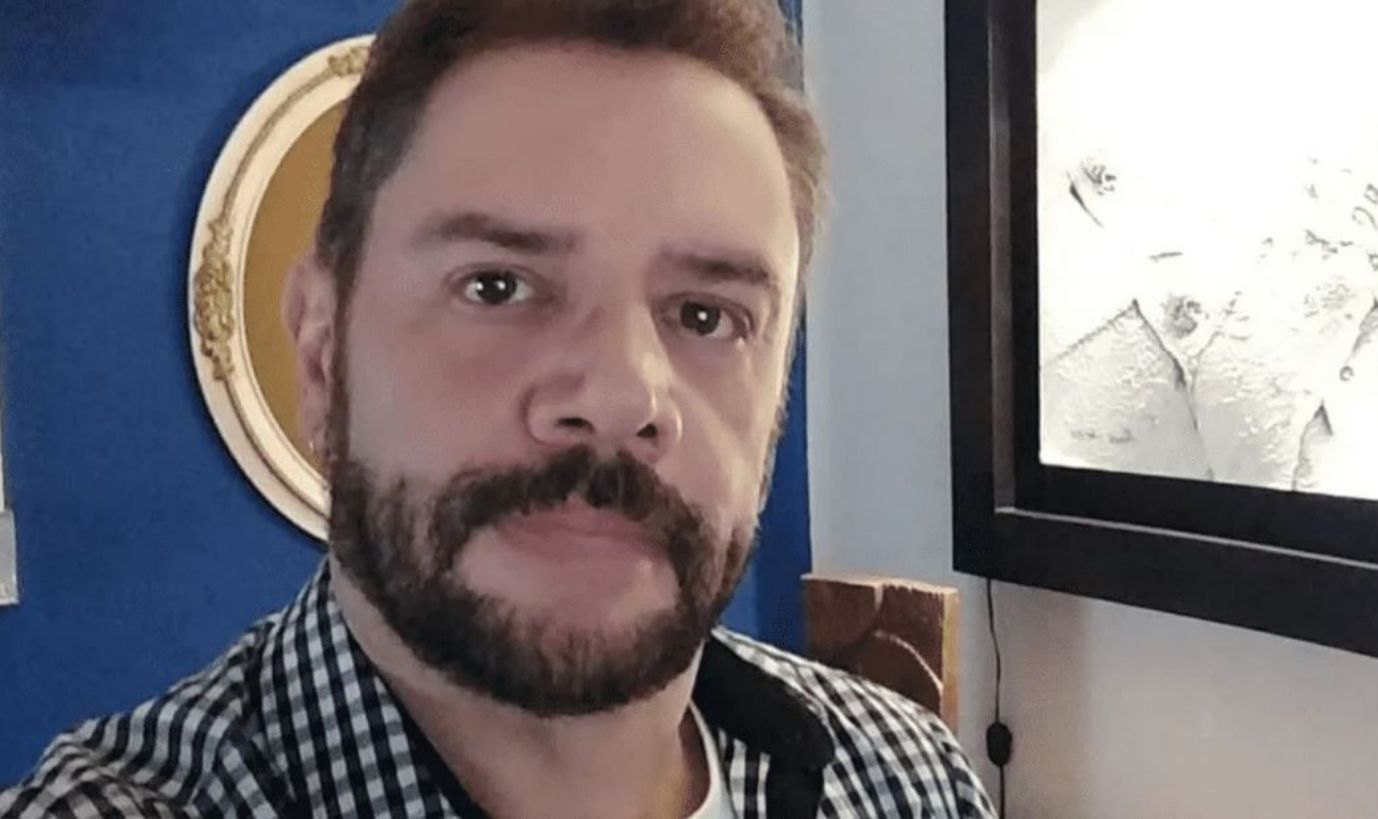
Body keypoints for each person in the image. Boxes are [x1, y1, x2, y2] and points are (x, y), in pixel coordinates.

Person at [0, 1, 994, 816]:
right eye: (497, 287)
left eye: (705, 314)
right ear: (321, 350)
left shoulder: (904, 779)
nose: (621, 397)